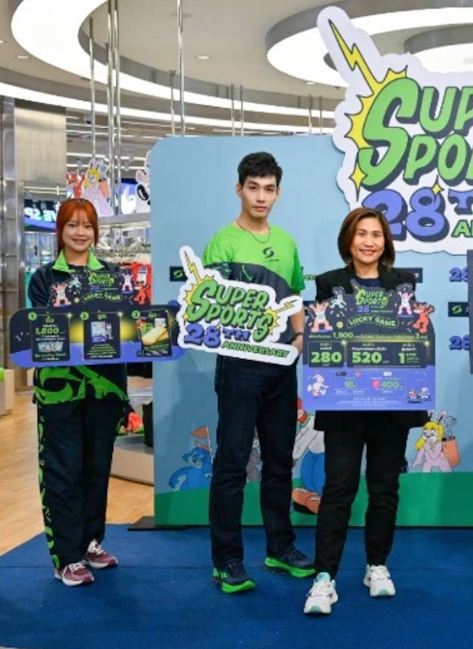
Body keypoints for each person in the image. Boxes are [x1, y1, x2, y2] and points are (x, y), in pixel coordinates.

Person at [303, 207, 429, 615]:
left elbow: (413, 340)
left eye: (376, 234)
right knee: (338, 487)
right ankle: (325, 576)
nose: (369, 241)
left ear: (385, 242)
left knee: (384, 487)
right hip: (344, 404)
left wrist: (420, 328)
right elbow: (322, 341)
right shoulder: (329, 283)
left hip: (390, 404)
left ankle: (377, 565)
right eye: (361, 234)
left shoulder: (403, 283)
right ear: (348, 240)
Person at [203, 152, 313, 593]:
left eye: (269, 189)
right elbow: (209, 307)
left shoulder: (286, 242)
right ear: (239, 189)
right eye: (253, 187)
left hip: (281, 367)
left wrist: (300, 338)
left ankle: (280, 547)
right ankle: (227, 559)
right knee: (232, 463)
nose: (261, 196)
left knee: (279, 462)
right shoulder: (222, 243)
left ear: (278, 193)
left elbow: (296, 297)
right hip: (239, 366)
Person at [29, 198, 127, 587]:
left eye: (87, 225)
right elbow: (42, 333)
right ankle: (66, 556)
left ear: (95, 231)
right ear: (61, 230)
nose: (80, 232)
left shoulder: (113, 275)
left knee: (97, 467)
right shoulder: (43, 278)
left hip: (105, 387)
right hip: (60, 389)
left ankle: (89, 542)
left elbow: (126, 328)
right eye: (73, 225)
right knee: (62, 468)